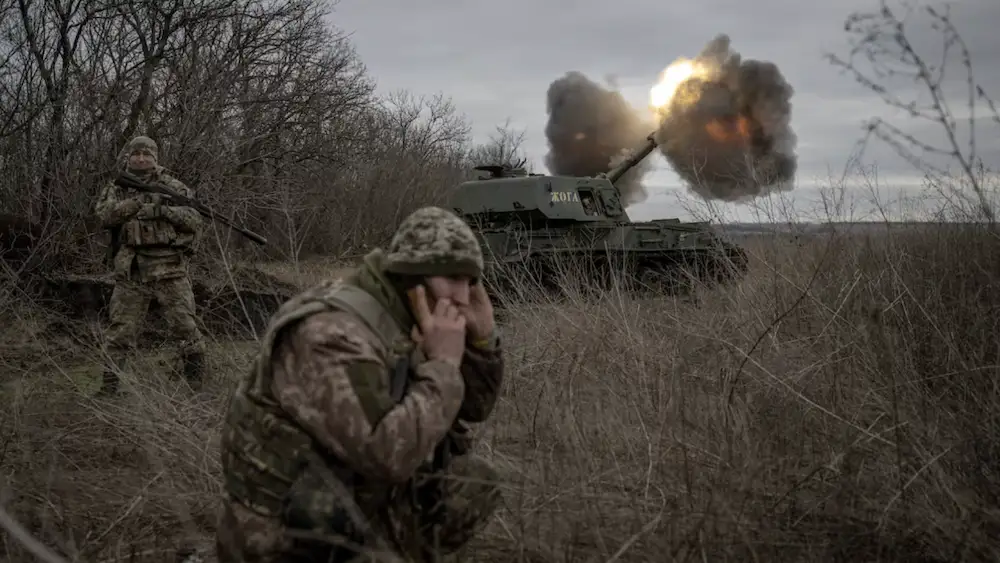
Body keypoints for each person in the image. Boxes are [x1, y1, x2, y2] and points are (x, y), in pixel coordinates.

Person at [216, 206, 505, 563]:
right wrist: (443, 365)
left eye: (470, 281)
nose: (463, 296)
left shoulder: (411, 315)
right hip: (283, 528)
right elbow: (385, 455)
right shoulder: (333, 333)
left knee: (473, 483)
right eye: (451, 278)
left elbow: (473, 408)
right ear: (409, 278)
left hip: (351, 495)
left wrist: (482, 340)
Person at [94, 135, 206, 395]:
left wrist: (162, 210)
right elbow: (104, 216)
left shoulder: (171, 185)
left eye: (147, 154)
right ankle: (108, 389)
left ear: (155, 157)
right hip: (131, 269)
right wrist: (137, 203)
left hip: (170, 268)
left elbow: (194, 220)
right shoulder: (117, 187)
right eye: (137, 154)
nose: (141, 158)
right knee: (120, 331)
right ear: (129, 157)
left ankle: (196, 387)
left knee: (186, 327)